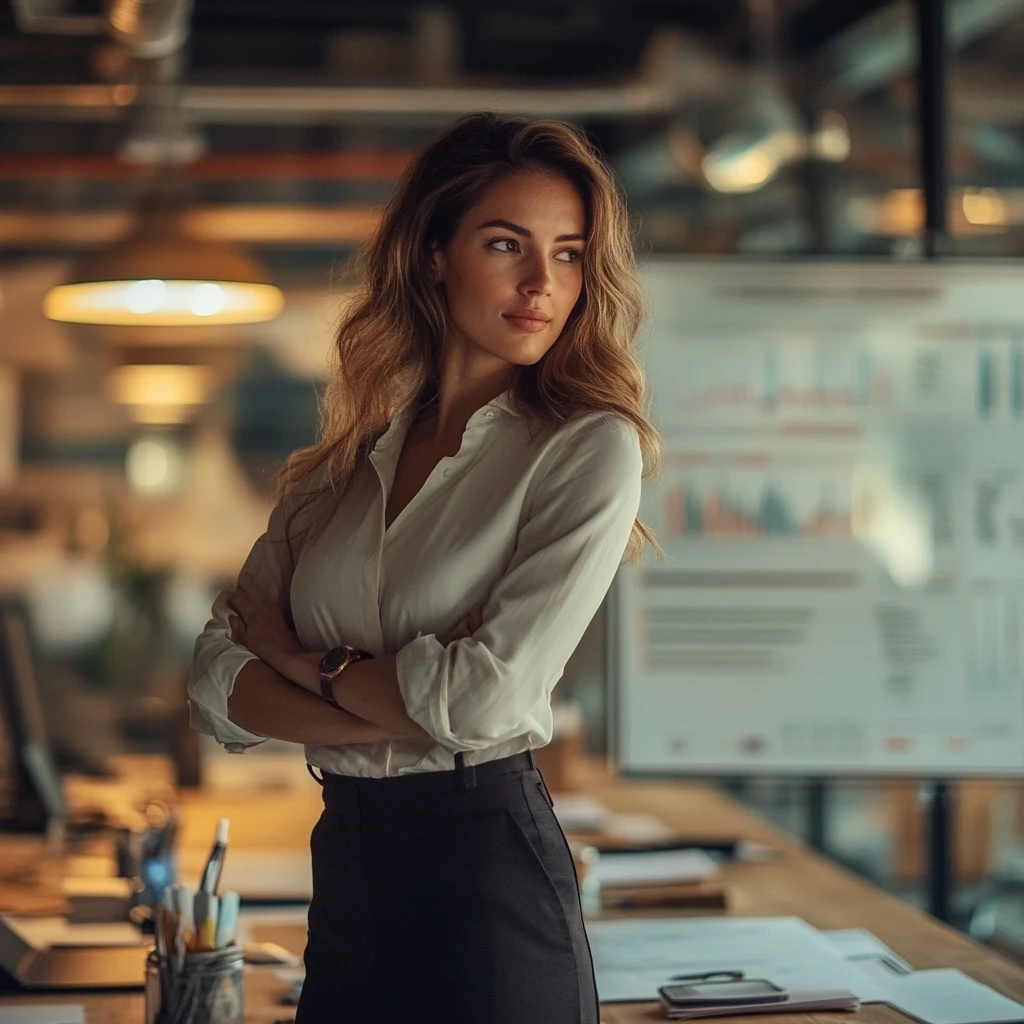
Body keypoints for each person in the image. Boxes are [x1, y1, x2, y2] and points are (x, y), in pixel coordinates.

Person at [188, 111, 663, 1024]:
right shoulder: (342, 463)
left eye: (568, 254)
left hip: (485, 871)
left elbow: (484, 704)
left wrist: (302, 664)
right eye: (505, 244)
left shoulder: (588, 448)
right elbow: (213, 678)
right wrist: (390, 716)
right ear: (434, 254)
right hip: (348, 865)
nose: (541, 283)